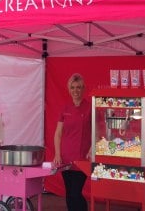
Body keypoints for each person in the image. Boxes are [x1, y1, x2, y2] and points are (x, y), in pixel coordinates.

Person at [53, 73, 91, 211]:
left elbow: (98, 132)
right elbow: (58, 133)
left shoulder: (90, 108)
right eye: (73, 87)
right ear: (69, 89)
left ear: (83, 89)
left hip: (81, 159)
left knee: (76, 193)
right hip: (65, 159)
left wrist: (91, 149)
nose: (76, 91)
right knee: (69, 194)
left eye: (79, 87)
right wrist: (57, 154)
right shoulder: (65, 108)